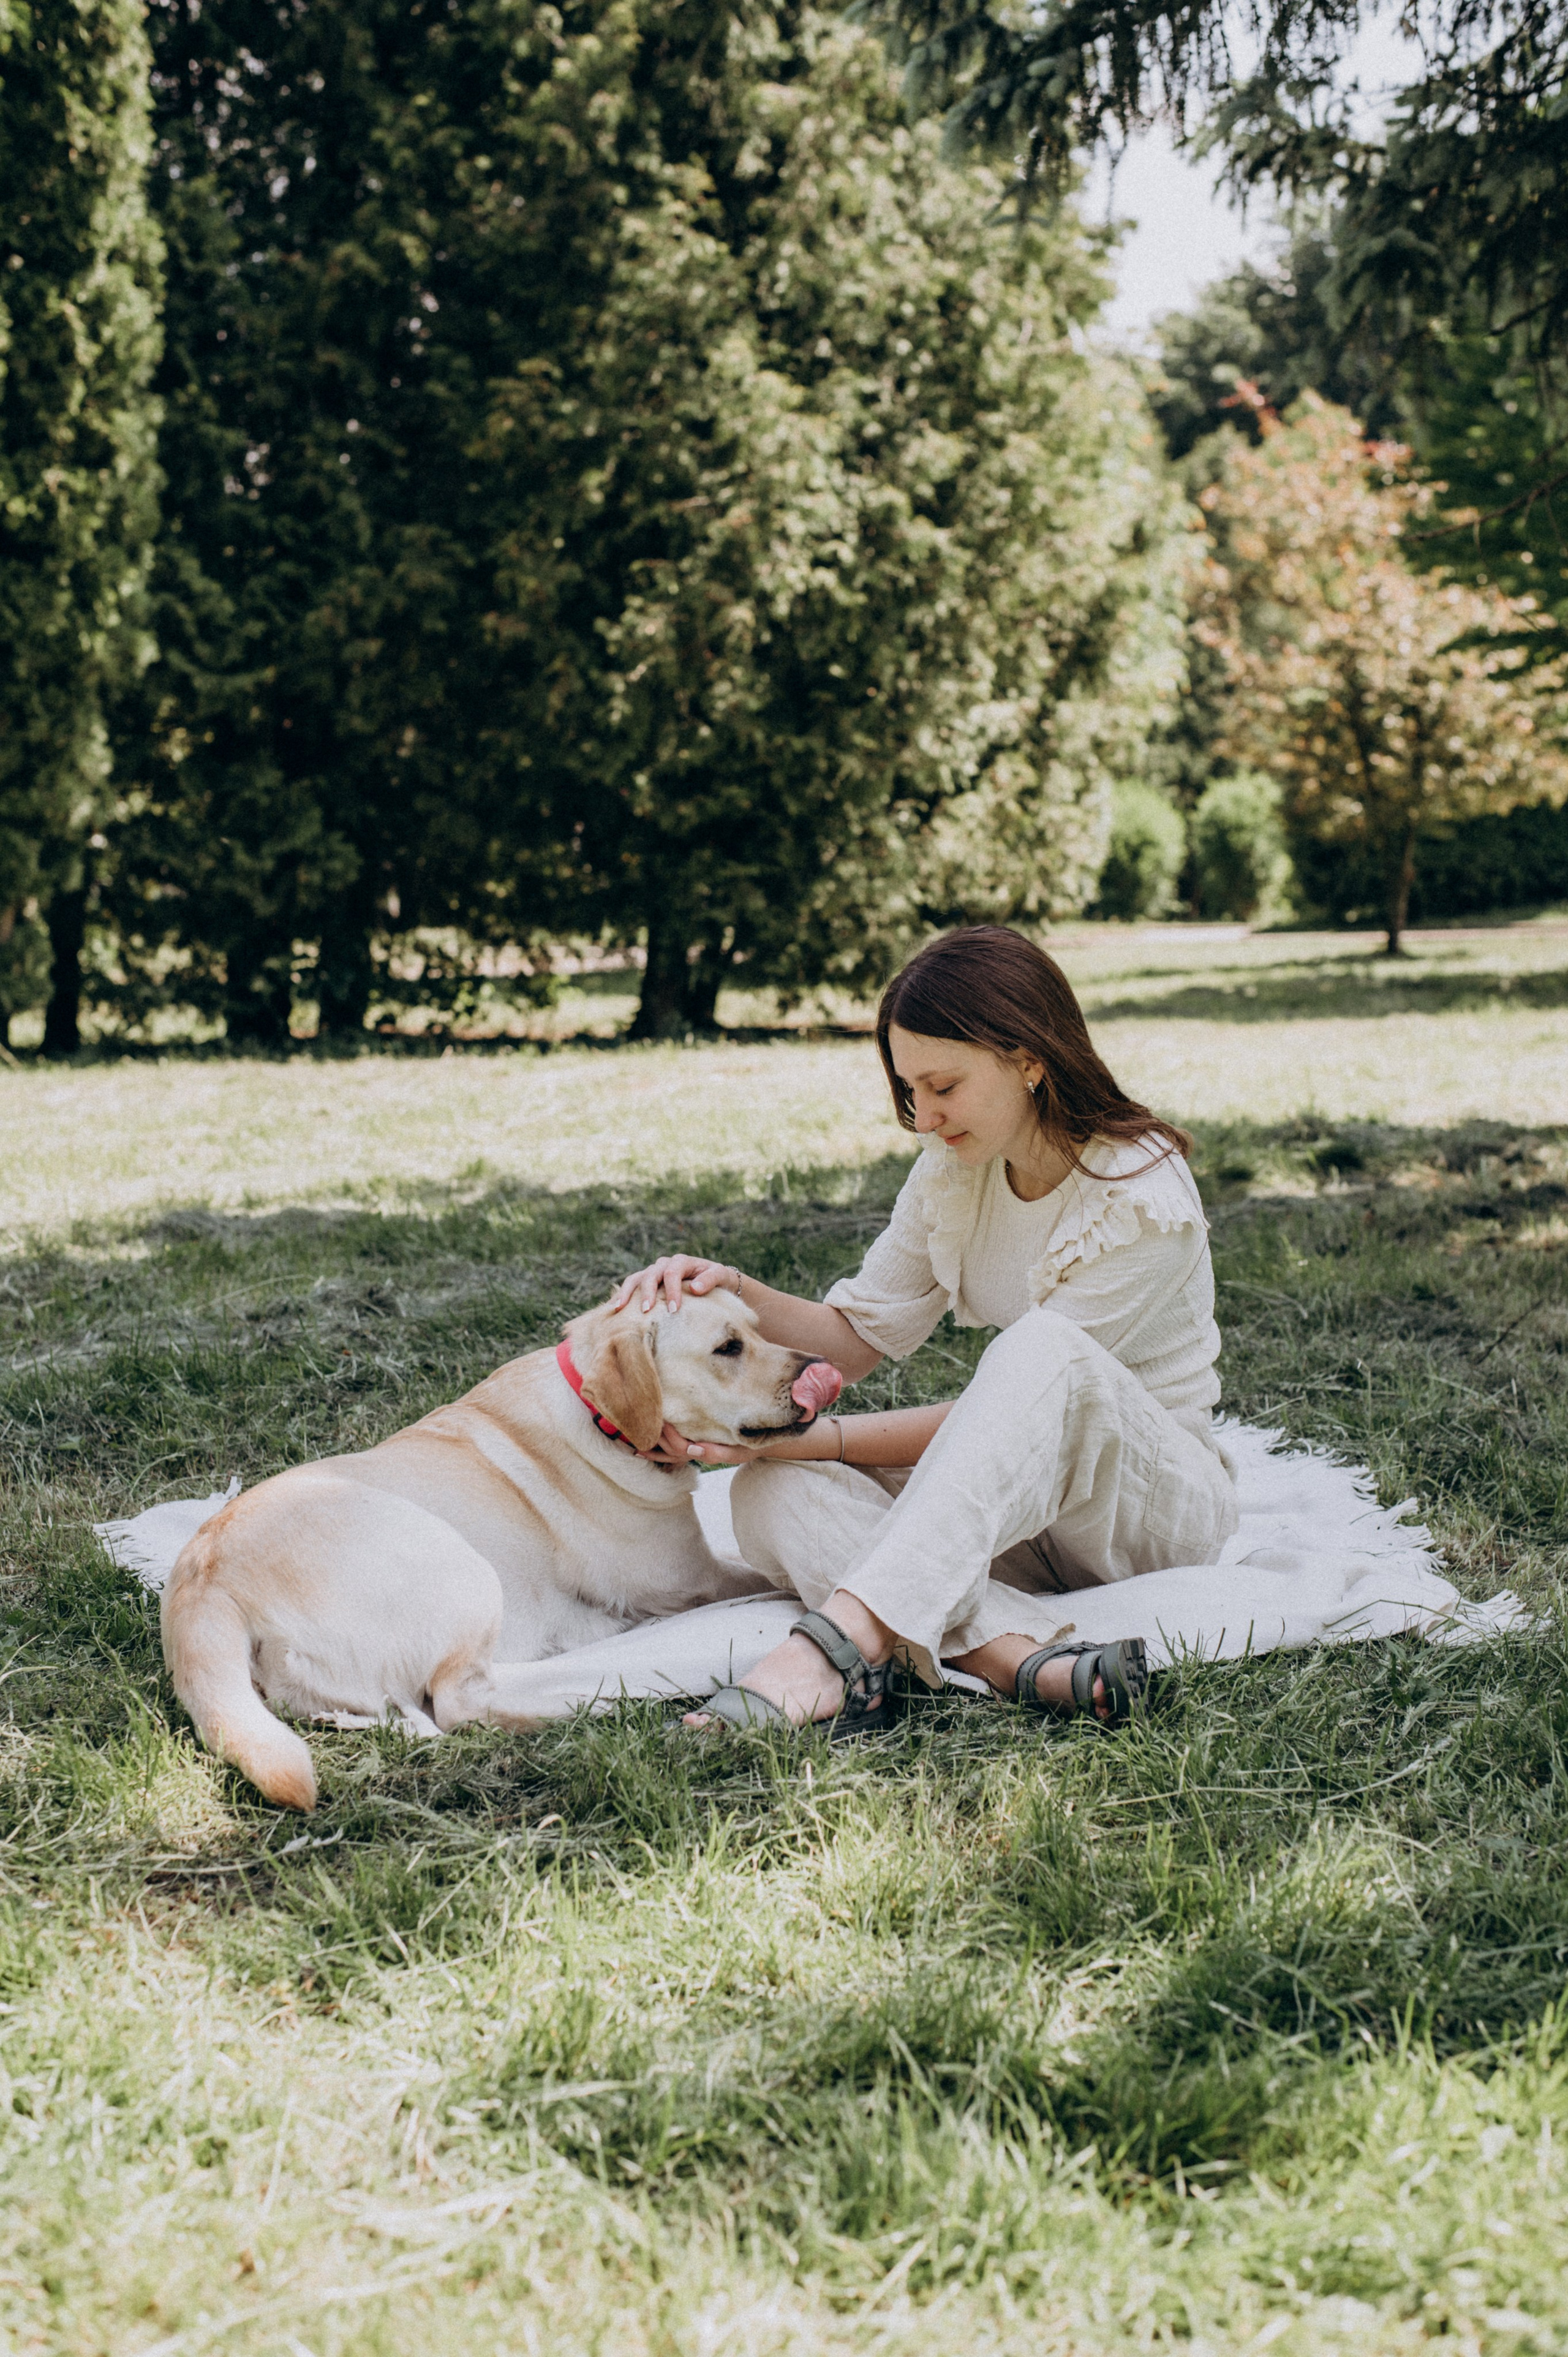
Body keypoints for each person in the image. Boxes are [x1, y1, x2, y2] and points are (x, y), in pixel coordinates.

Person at [612, 925, 1238, 1734]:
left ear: (1029, 1059)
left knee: (1041, 1350)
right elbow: (854, 1338)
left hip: (1145, 1511)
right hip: (1018, 1508)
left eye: (943, 1086)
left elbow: (1022, 1408)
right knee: (769, 1493)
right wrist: (731, 1288)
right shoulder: (956, 1167)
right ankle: (1016, 1661)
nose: (924, 1116)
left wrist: (808, 1438)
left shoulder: (1140, 1194)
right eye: (911, 1090)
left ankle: (834, 1648)